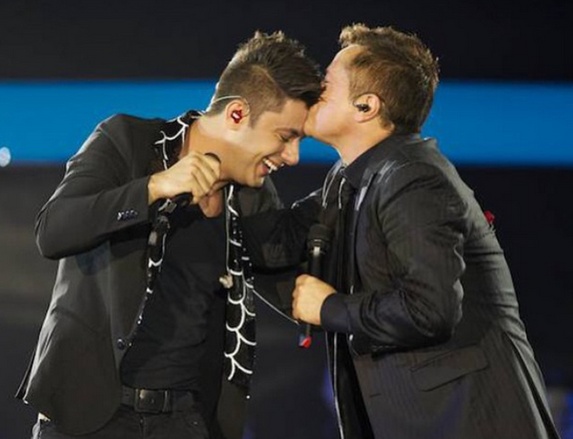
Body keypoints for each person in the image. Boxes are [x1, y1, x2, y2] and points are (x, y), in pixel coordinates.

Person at [16, 31, 322, 439]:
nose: (293, 156)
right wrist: (153, 188)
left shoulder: (252, 195)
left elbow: (289, 287)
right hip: (89, 414)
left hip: (183, 419)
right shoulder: (127, 141)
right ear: (236, 114)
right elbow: (53, 231)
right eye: (285, 137)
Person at [288, 24, 561, 438]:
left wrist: (330, 308)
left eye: (326, 83)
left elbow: (429, 309)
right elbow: (279, 240)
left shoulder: (412, 177)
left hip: (471, 421)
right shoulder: (347, 181)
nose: (313, 91)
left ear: (366, 106)